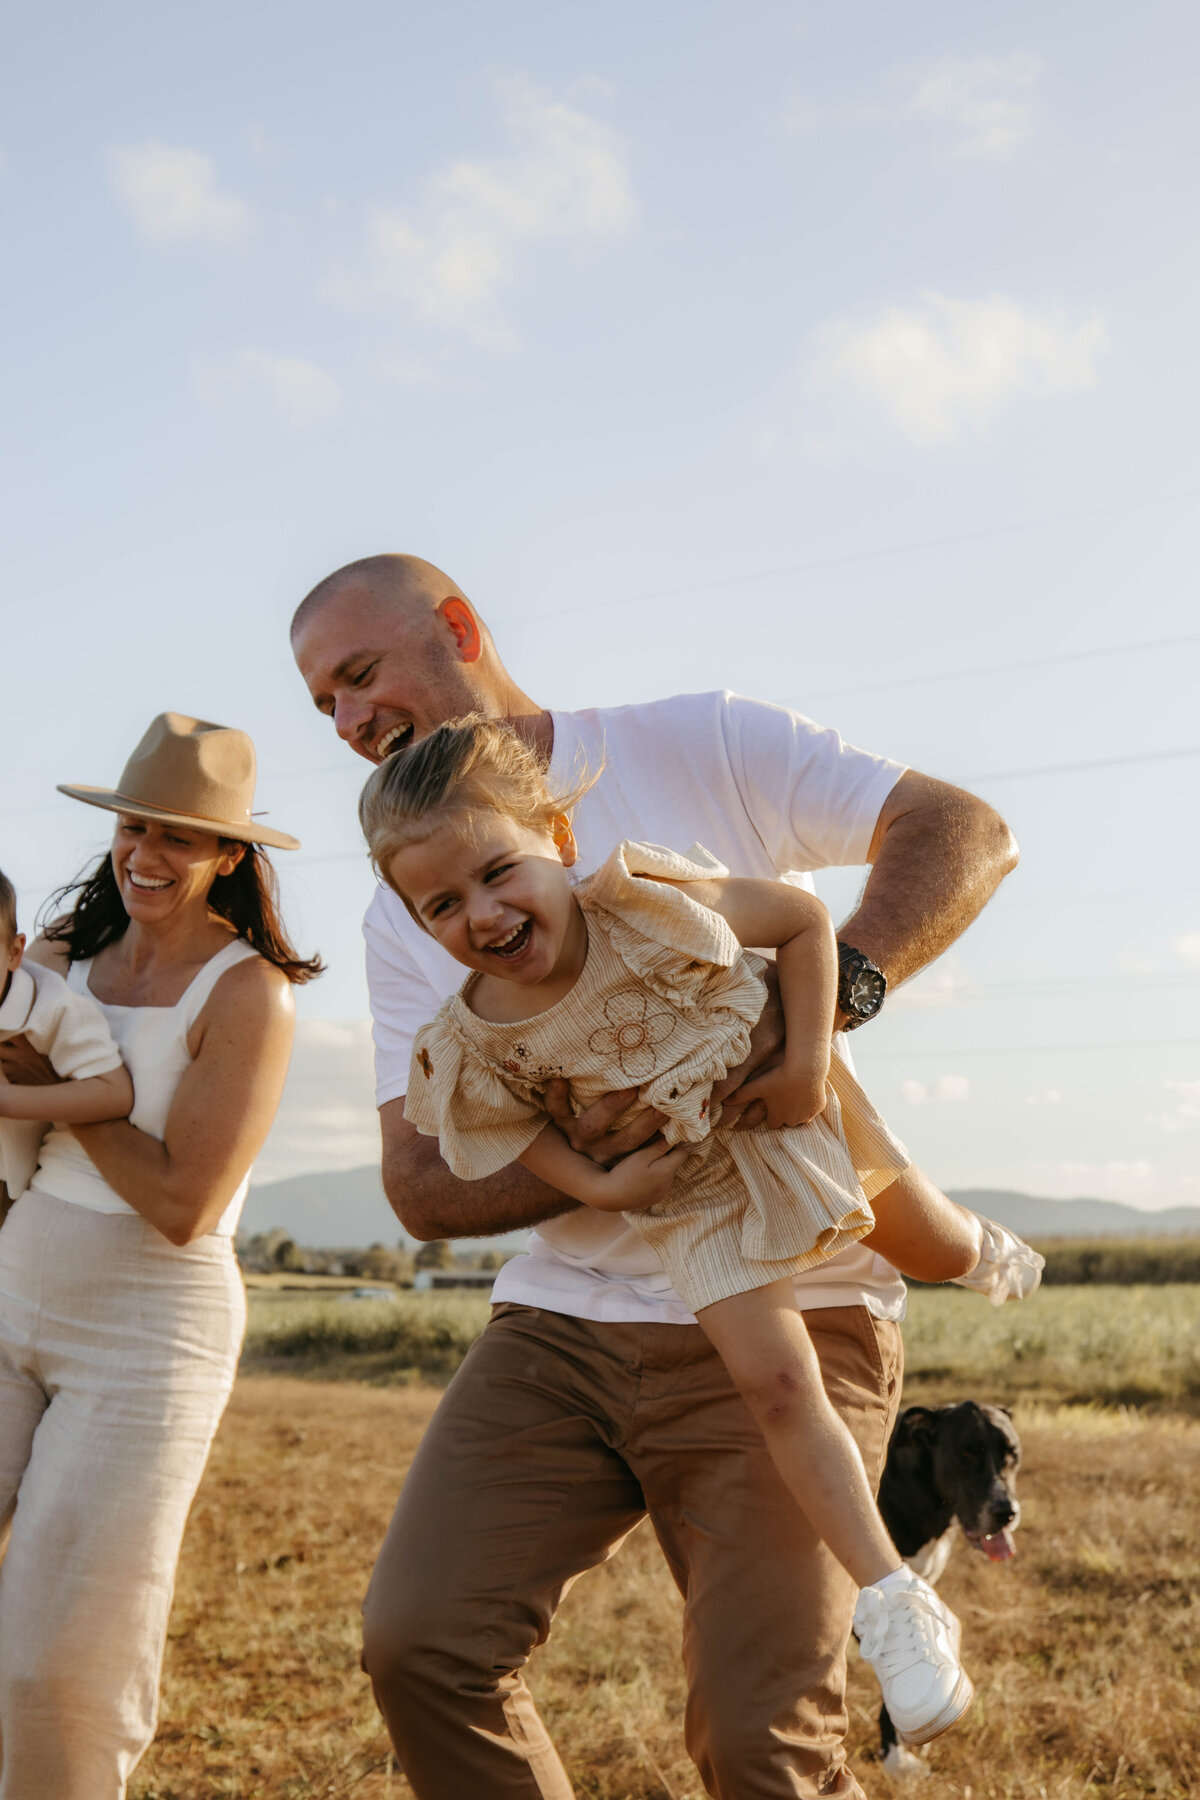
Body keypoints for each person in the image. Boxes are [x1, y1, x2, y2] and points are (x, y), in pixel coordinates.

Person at [291, 554, 1023, 1799]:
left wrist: (809, 1029)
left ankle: (983, 1268)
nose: (350, 723)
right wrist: (615, 1158)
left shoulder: (699, 747)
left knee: (759, 1744)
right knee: (421, 1647)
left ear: (459, 629)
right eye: (326, 709)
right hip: (565, 1322)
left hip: (796, 1291)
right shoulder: (405, 912)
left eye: (359, 677)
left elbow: (965, 831)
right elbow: (422, 1183)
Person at [0, 712, 321, 1800]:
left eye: (179, 837)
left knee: (63, 1654)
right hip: (12, 1289)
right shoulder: (48, 960)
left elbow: (185, 1201)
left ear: (230, 854)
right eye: (135, 826)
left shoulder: (248, 993)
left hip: (149, 1330)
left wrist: (68, 1090)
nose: (146, 853)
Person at [0, 866, 134, 1217]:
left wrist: (7, 1099)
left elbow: (114, 1092)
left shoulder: (50, 1007)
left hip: (10, 1188)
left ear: (15, 953)